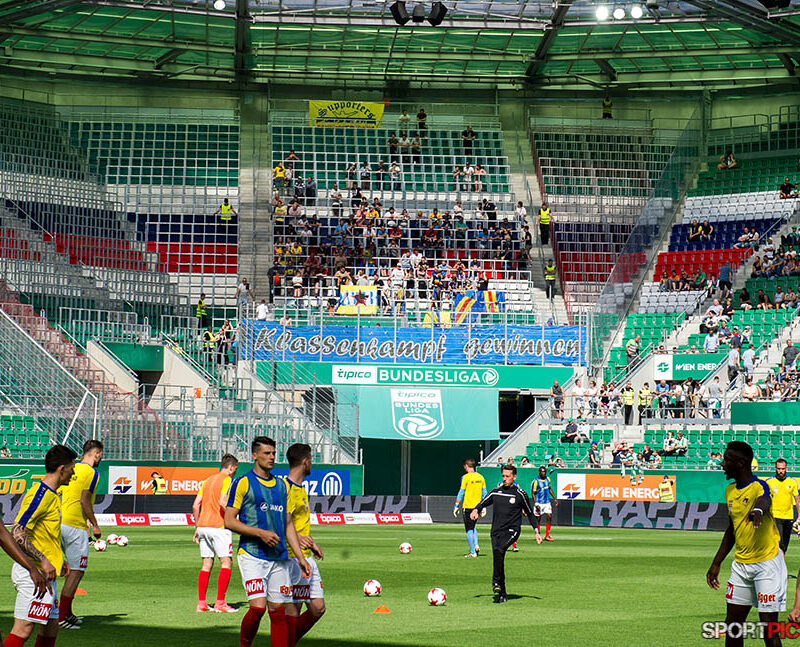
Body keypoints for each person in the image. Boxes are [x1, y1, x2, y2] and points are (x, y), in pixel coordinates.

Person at [225, 437, 311, 647]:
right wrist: (260, 533)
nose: (271, 457)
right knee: (257, 608)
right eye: (266, 453)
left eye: (273, 453)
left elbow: (288, 524)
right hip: (252, 554)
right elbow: (228, 521)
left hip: (279, 558)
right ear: (254, 455)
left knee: (278, 612)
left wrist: (300, 557)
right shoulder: (243, 483)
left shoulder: (281, 486)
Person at [706, 442, 786, 646]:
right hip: (741, 566)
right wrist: (716, 563)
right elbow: (732, 530)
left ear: (740, 463)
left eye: (726, 460)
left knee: (769, 629)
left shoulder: (760, 486)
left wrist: (758, 511)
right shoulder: (730, 491)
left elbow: (764, 499)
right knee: (733, 626)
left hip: (767, 564)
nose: (722, 464)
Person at [6, 445, 77, 647]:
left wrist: (58, 559)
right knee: (24, 628)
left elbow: (45, 534)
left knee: (50, 626)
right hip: (34, 575)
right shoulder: (40, 494)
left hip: (46, 575)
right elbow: (17, 531)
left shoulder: (53, 495)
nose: (73, 474)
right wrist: (43, 560)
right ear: (61, 468)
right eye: (72, 469)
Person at [471, 464, 538, 603]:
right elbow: (483, 502)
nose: (505, 479)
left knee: (499, 550)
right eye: (503, 476)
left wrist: (536, 531)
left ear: (514, 477)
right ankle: (502, 592)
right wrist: (476, 510)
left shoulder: (520, 494)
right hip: (496, 531)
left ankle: (495, 582)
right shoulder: (496, 492)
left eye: (508, 476)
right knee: (498, 555)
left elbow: (530, 513)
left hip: (512, 531)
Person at [57, 439, 103, 629]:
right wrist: (95, 524)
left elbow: (59, 493)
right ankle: (61, 617)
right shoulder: (92, 473)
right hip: (75, 526)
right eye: (101, 454)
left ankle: (67, 613)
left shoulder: (71, 469)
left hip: (60, 522)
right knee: (76, 571)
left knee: (70, 570)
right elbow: (85, 499)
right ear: (97, 453)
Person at [284, 444, 326, 642]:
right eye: (311, 459)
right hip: (293, 558)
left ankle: (286, 641)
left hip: (306, 555)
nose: (312, 463)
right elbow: (281, 522)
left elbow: (297, 524)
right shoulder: (286, 488)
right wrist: (298, 540)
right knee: (294, 609)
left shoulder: (301, 488)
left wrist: (311, 543)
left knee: (318, 608)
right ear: (305, 462)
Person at [193, 454, 239, 613]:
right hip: (219, 526)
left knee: (206, 564)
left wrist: (197, 527)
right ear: (231, 467)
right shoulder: (227, 480)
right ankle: (220, 603)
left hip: (203, 527)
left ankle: (202, 603)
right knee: (226, 562)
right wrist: (233, 517)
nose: (235, 472)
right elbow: (222, 502)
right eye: (235, 469)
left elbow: (195, 505)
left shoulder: (207, 480)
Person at [453, 458, 487, 558]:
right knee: (473, 526)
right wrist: (483, 506)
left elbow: (461, 492)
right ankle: (476, 544)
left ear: (466, 466)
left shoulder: (465, 477)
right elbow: (485, 493)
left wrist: (456, 505)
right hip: (478, 506)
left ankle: (472, 552)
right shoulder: (481, 477)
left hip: (468, 506)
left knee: (469, 529)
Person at [765, 459, 800, 555]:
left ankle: (779, 567)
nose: (781, 471)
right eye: (779, 469)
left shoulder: (792, 482)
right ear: (775, 468)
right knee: (779, 544)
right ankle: (780, 569)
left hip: (788, 516)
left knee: (784, 546)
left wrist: (799, 516)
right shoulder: (769, 482)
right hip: (775, 517)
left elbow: (797, 499)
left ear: (786, 468)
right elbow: (764, 499)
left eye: (783, 469)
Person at [531, 466, 558, 544]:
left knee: (549, 516)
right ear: (539, 472)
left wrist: (554, 498)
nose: (544, 473)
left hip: (547, 502)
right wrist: (536, 504)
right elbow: (533, 493)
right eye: (542, 472)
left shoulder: (547, 479)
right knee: (538, 519)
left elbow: (549, 488)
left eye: (545, 472)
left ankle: (547, 535)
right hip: (539, 502)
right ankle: (538, 534)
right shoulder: (535, 481)